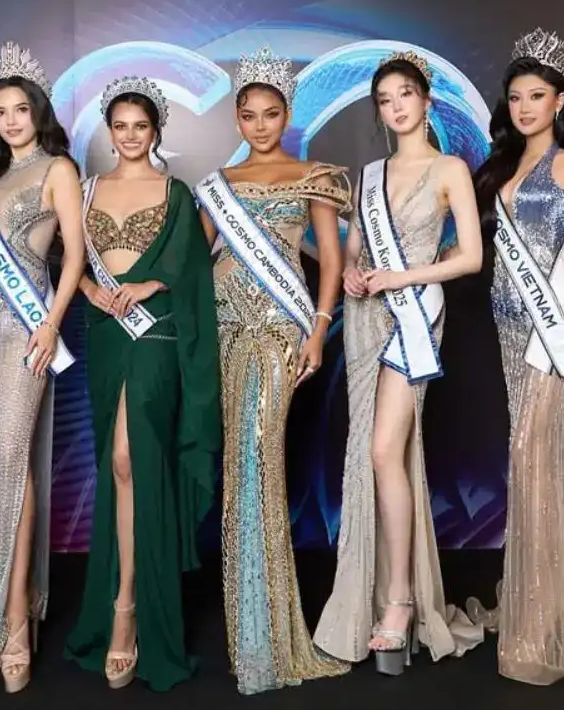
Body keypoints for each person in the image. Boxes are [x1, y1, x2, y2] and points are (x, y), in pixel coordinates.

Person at [313, 51, 485, 675]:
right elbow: (358, 249)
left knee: (386, 450)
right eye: (385, 100)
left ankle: (400, 600)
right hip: (366, 320)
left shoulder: (450, 169)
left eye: (405, 94)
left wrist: (401, 277)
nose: (396, 107)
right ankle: (370, 592)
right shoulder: (368, 174)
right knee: (372, 453)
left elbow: (470, 257)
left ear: (426, 99)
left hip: (414, 317)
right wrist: (355, 274)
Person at [196, 46, 351, 694]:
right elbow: (196, 260)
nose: (260, 125)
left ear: (287, 115)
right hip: (223, 328)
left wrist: (318, 330)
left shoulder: (314, 175)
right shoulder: (218, 185)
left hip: (279, 331)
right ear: (237, 119)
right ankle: (249, 626)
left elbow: (332, 263)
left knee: (262, 462)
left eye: (271, 113)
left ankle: (269, 631)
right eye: (249, 115)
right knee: (240, 467)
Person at [467, 29, 564, 684]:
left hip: (554, 326)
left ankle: (545, 619)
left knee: (535, 454)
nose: (526, 107)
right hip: (507, 325)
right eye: (517, 97)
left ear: (559, 100)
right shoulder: (501, 166)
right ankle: (529, 600)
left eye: (537, 96)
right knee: (523, 457)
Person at [65, 76, 221, 692]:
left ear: (156, 131)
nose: (130, 136)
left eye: (141, 126)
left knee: (131, 458)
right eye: (120, 126)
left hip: (155, 334)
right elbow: (67, 261)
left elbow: (191, 269)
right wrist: (88, 288)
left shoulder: (177, 193)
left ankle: (128, 608)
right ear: (110, 132)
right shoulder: (85, 190)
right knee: (117, 466)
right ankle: (121, 594)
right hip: (105, 333)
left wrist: (153, 283)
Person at [0, 42, 85, 693]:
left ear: (38, 111)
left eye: (20, 109)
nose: (10, 121)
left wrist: (51, 322)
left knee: (11, 454)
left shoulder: (59, 169)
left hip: (28, 327)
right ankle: (7, 604)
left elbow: (74, 256)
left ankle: (16, 618)